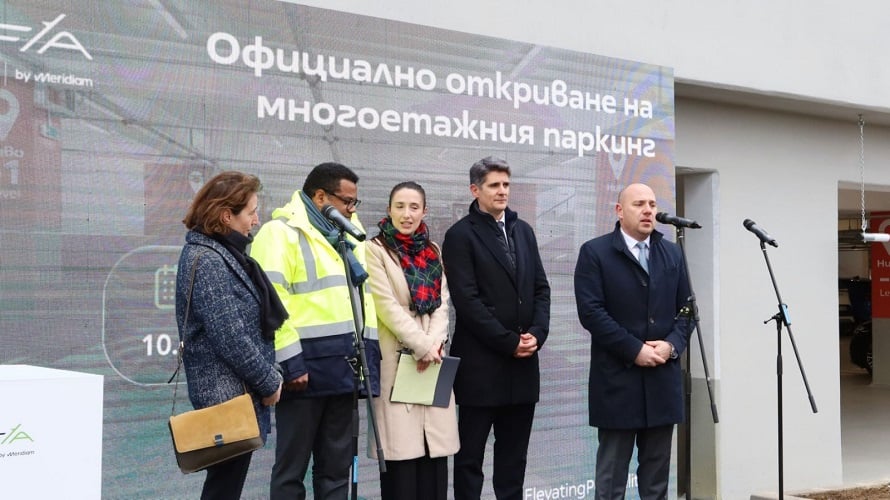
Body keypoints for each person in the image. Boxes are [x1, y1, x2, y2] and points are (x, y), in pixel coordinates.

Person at [250, 162, 380, 500]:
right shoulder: (279, 233)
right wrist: (291, 364)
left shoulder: (348, 234)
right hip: (303, 375)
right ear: (320, 196)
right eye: (347, 201)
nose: (352, 209)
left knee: (336, 472)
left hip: (344, 371)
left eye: (355, 203)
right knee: (291, 472)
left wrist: (367, 364)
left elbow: (364, 300)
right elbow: (271, 303)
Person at [573, 183, 694, 500]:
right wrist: (634, 349)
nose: (648, 210)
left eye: (652, 204)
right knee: (611, 482)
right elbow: (591, 313)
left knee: (656, 485)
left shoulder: (672, 252)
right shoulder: (595, 252)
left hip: (662, 382)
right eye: (639, 204)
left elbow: (688, 310)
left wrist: (671, 346)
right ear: (619, 210)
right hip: (618, 384)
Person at [442, 156, 551, 500]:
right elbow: (468, 302)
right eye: (494, 185)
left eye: (506, 184)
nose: (502, 191)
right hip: (481, 370)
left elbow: (541, 289)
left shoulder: (524, 231)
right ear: (475, 190)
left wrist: (537, 334)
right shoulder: (460, 235)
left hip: (523, 369)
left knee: (513, 462)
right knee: (469, 461)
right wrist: (509, 342)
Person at [175, 171, 286, 500]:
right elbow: (229, 336)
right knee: (223, 489)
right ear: (227, 216)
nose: (256, 220)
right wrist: (269, 382)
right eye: (251, 211)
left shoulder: (223, 253)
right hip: (226, 400)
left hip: (236, 395)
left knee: (225, 488)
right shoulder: (208, 259)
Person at [365, 181, 459, 500]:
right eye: (400, 206)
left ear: (424, 211)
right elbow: (386, 307)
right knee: (402, 459)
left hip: (432, 359)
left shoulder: (433, 251)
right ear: (389, 210)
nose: (407, 214)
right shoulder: (374, 250)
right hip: (397, 358)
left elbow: (442, 303)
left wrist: (433, 344)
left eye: (414, 207)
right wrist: (422, 346)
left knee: (434, 456)